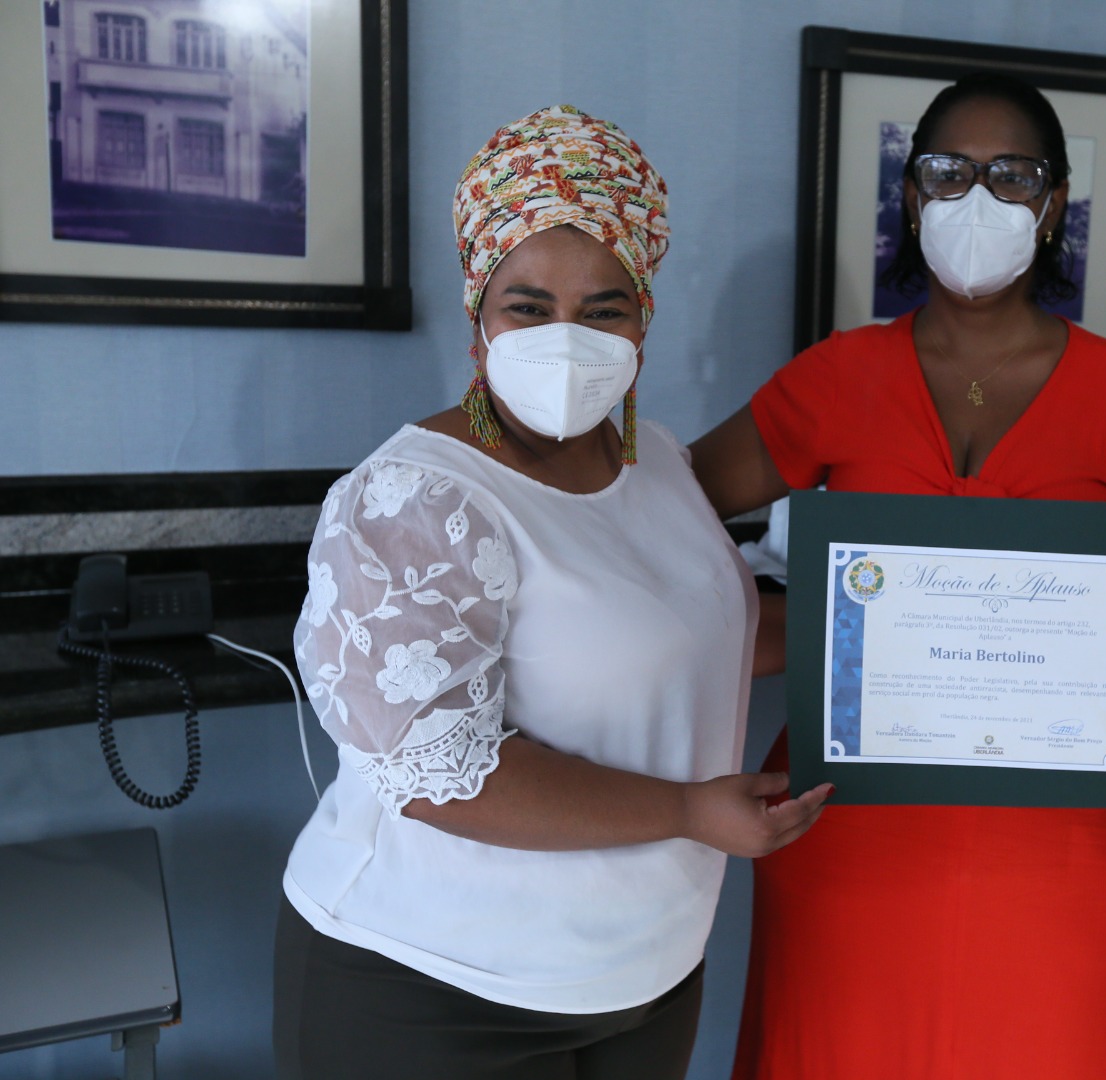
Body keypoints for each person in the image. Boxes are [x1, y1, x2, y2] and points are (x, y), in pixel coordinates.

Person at [691, 73, 1106, 1079]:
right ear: (912, 196)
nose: (977, 198)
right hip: (852, 829)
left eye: (1011, 175)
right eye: (949, 172)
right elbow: (665, 519)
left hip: (1066, 852)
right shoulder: (837, 377)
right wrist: (780, 628)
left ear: (1054, 203)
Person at [272, 105, 830, 1080]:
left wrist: (886, 633)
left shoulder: (658, 464)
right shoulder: (413, 501)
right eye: (528, 307)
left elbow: (689, 637)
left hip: (644, 973)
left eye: (604, 310)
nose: (566, 341)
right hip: (434, 986)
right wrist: (691, 811)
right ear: (478, 318)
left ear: (644, 321)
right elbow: (440, 774)